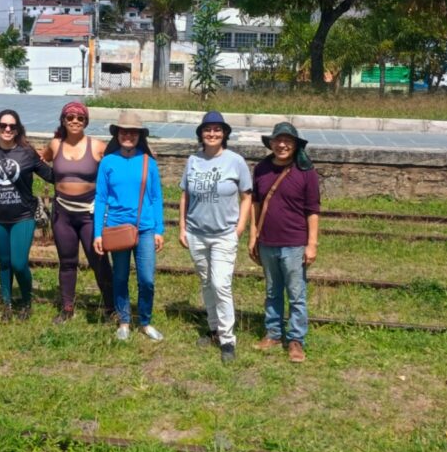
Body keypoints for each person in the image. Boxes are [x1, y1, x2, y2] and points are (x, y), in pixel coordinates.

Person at [179, 111, 252, 363]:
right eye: (207, 129)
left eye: (217, 130)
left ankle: (227, 339)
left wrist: (240, 227)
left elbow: (247, 196)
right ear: (201, 134)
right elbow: (184, 195)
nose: (212, 134)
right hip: (196, 233)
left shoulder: (235, 161)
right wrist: (182, 227)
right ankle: (213, 329)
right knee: (206, 282)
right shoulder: (193, 160)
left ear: (224, 134)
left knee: (221, 284)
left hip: (224, 235)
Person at [248, 122, 320, 364]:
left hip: (294, 243)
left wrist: (312, 244)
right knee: (272, 291)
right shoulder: (261, 169)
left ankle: (296, 340)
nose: (282, 145)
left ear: (295, 145)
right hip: (267, 242)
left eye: (287, 141)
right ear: (271, 143)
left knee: (296, 294)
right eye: (278, 140)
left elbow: (313, 210)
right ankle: (274, 334)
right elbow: (256, 204)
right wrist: (253, 235)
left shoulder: (305, 171)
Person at [93, 111, 165, 342]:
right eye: (124, 131)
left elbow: (156, 198)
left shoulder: (148, 162)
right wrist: (97, 234)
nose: (128, 136)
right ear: (118, 134)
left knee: (147, 278)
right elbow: (101, 198)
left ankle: (145, 320)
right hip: (116, 228)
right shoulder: (107, 162)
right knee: (120, 276)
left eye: (133, 132)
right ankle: (124, 321)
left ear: (139, 135)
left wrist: (159, 230)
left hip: (144, 228)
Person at [41, 101, 115, 324]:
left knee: (99, 260)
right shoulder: (55, 145)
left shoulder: (98, 146)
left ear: (86, 121)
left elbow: (119, 161)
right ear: (63, 120)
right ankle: (67, 307)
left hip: (90, 214)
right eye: (70, 117)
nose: (75, 121)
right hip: (62, 213)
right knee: (67, 261)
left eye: (80, 118)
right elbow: (39, 159)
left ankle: (111, 307)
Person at [0, 109, 54, 321]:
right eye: (3, 126)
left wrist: (74, 168)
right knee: (4, 262)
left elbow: (50, 176)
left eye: (12, 126)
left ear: (18, 129)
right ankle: (7, 304)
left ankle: (26, 302)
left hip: (23, 215)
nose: (8, 129)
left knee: (19, 263)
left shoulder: (27, 153)